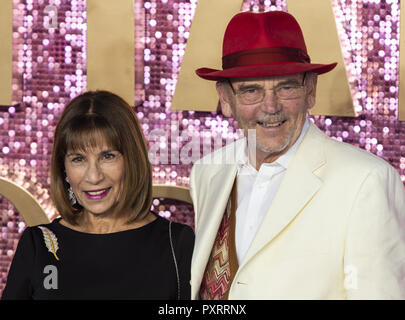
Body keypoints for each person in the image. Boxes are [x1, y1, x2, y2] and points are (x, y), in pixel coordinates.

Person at [189, 10, 405, 299]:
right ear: (226, 99)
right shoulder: (207, 172)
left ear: (311, 90)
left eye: (286, 87)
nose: (270, 107)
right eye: (251, 90)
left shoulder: (366, 181)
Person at [2, 90, 194, 300]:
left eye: (107, 156)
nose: (93, 177)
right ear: (63, 168)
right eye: (78, 159)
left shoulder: (177, 243)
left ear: (132, 160)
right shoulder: (39, 244)